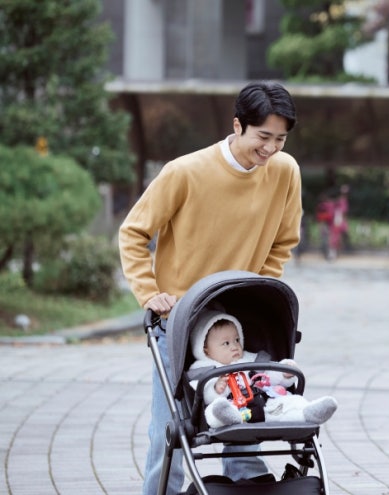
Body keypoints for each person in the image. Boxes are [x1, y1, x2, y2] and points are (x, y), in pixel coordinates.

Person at [118, 81, 302, 495]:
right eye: (263, 137)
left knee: (244, 419)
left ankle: (246, 488)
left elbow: (284, 240)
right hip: (178, 320)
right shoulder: (184, 172)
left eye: (280, 139)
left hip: (237, 323)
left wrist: (259, 286)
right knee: (170, 430)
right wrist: (149, 293)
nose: (271, 148)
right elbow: (133, 232)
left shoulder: (285, 171)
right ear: (237, 125)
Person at [189, 310, 337, 428]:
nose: (234, 346)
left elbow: (268, 374)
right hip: (233, 406)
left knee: (290, 401)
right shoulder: (203, 368)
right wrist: (216, 389)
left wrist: (284, 372)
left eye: (237, 340)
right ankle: (230, 417)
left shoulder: (249, 359)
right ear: (205, 349)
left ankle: (307, 412)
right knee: (215, 409)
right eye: (226, 343)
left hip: (266, 403)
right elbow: (202, 395)